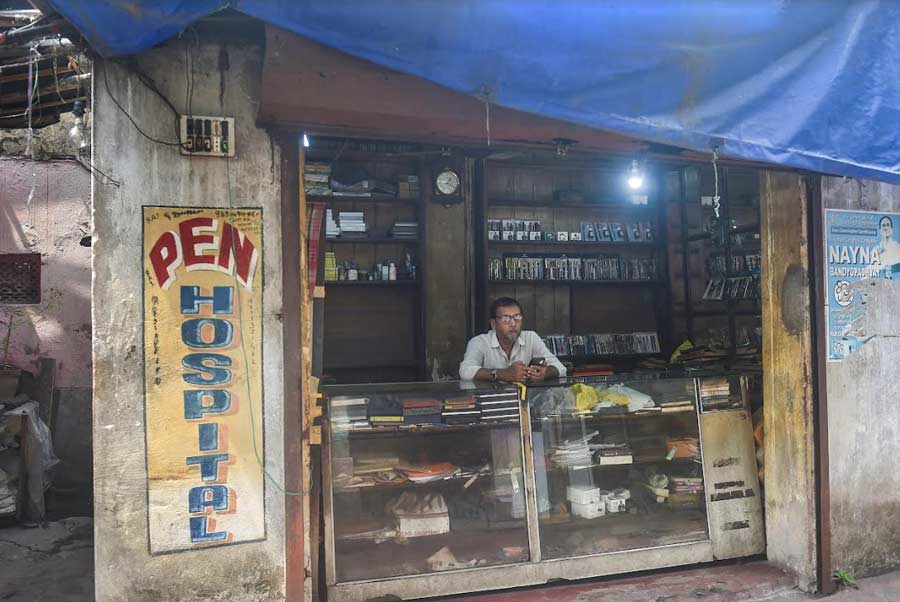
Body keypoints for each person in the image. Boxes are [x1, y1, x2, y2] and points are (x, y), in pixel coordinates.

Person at [459, 297, 566, 382]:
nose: (513, 324)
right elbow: (465, 371)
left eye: (517, 317)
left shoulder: (531, 337)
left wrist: (544, 373)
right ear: (493, 324)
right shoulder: (479, 342)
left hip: (523, 401)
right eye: (506, 319)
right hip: (490, 400)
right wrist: (503, 374)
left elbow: (561, 368)